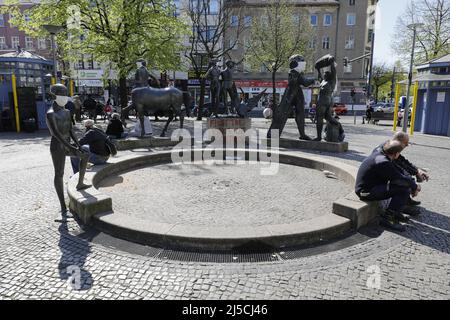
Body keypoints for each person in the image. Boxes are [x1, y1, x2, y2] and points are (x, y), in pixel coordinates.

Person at [356, 140, 420, 232]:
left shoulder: (382, 155)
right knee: (404, 188)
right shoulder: (383, 162)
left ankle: (395, 212)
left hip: (372, 187)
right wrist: (415, 187)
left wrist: (412, 184)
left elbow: (399, 173)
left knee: (403, 184)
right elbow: (400, 179)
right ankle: (387, 218)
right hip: (366, 192)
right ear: (397, 154)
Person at [46, 84, 90, 213]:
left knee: (85, 154)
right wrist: (72, 147)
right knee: (59, 173)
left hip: (68, 143)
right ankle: (62, 206)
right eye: (62, 95)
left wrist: (78, 145)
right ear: (54, 96)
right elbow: (56, 135)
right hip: (57, 146)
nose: (65, 98)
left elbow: (71, 130)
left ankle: (80, 183)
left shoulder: (67, 111)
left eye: (66, 95)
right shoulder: (51, 114)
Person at [374, 132, 429, 210]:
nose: (407, 145)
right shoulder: (388, 150)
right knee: (404, 181)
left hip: (381, 179)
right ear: (398, 141)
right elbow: (397, 171)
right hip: (377, 184)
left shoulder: (390, 146)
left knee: (406, 179)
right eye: (406, 143)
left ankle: (405, 200)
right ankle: (396, 209)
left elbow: (402, 161)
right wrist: (414, 186)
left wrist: (417, 171)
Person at [268, 55, 315, 139]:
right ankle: (273, 135)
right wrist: (314, 79)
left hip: (296, 94)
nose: (304, 65)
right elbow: (305, 82)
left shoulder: (296, 73)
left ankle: (302, 134)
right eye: (302, 63)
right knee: (282, 115)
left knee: (299, 115)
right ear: (296, 64)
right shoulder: (295, 74)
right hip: (291, 96)